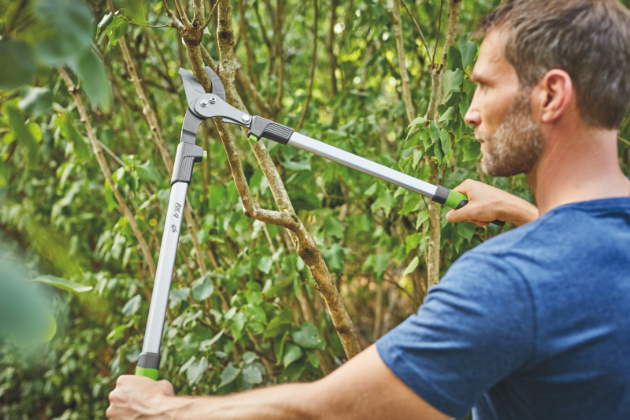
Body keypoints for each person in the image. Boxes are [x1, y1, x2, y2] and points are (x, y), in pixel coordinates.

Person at [106, 0, 630, 418]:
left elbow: (327, 411)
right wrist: (530, 215)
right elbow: (585, 269)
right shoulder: (582, 257)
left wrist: (159, 410)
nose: (470, 113)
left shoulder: (511, 282)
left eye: (484, 87)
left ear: (551, 95)